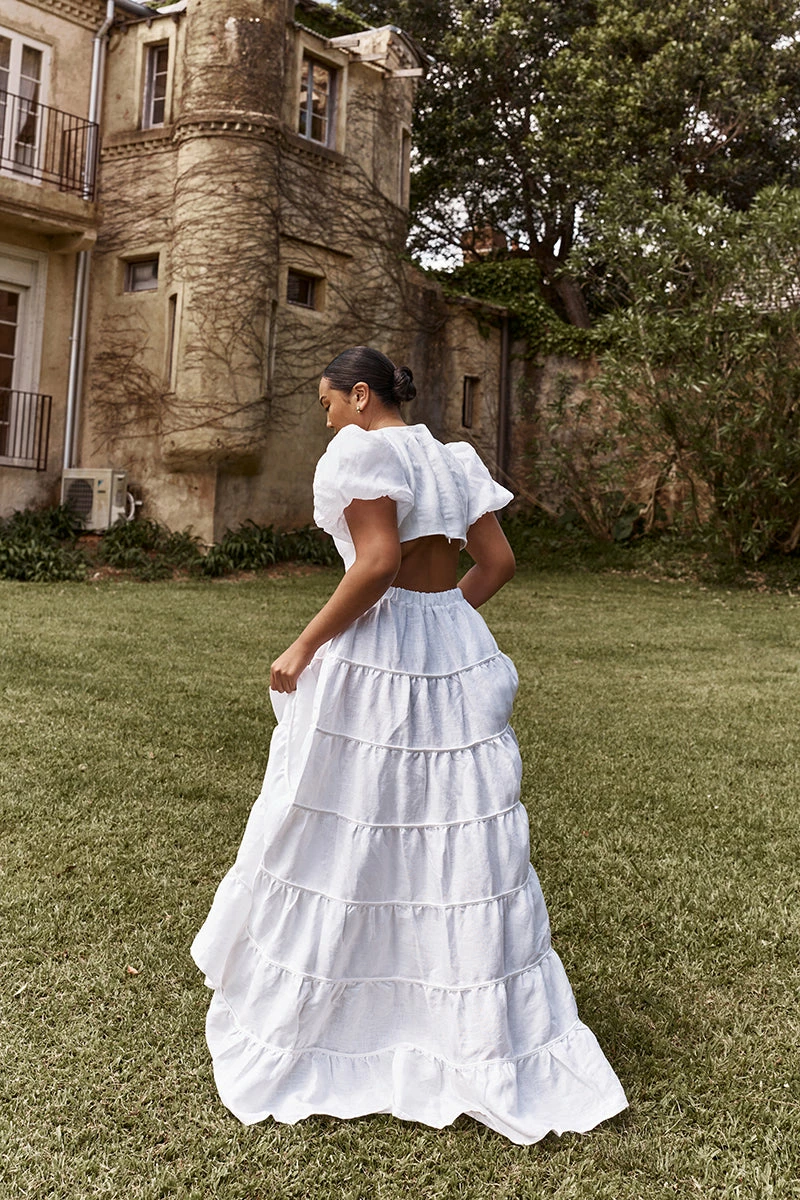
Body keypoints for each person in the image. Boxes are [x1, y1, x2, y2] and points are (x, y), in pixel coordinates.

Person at [191, 346, 627, 1145]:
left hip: (379, 652)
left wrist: (303, 645)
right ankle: (457, 1017)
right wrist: (446, 618)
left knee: (350, 818)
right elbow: (497, 562)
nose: (324, 416)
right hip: (453, 649)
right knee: (455, 825)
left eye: (327, 401)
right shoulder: (454, 457)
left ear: (360, 396)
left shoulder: (361, 450)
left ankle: (348, 1012)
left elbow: (379, 562)